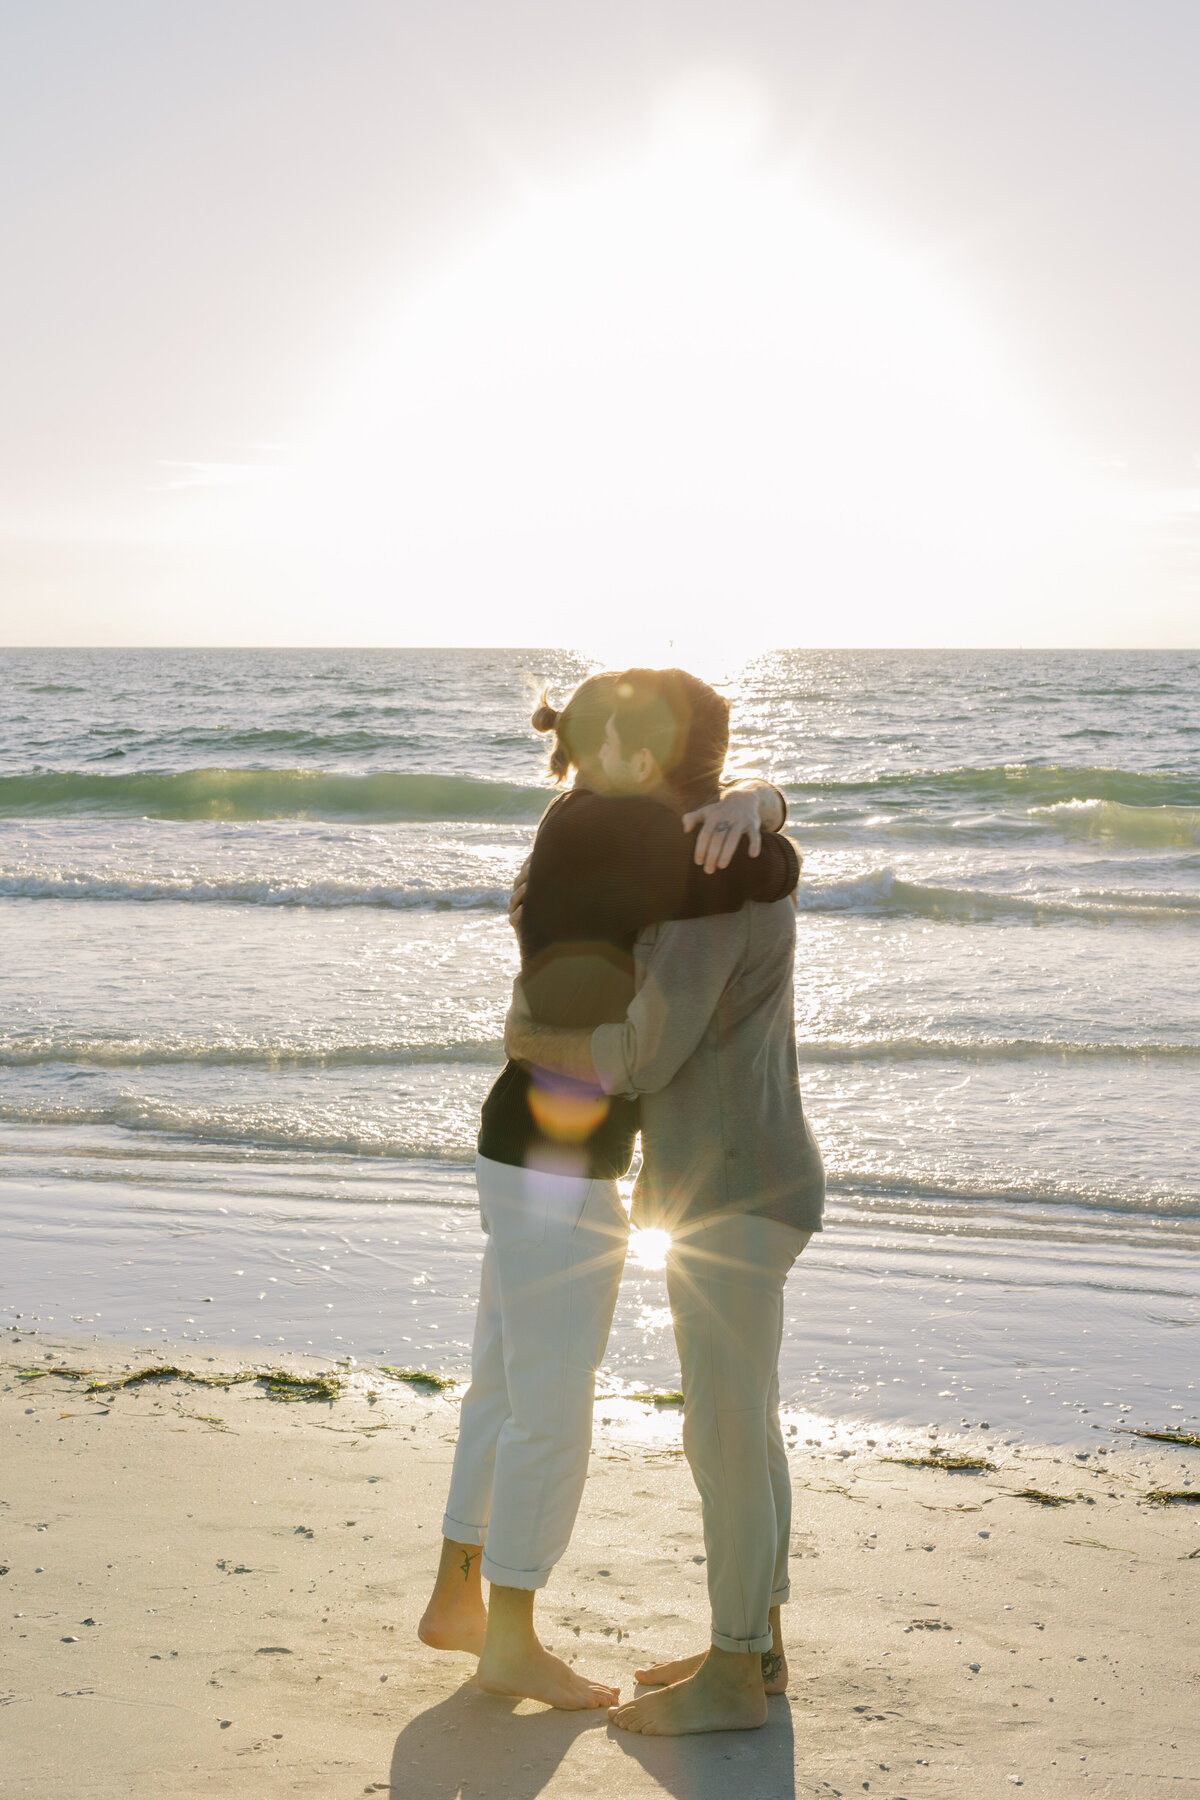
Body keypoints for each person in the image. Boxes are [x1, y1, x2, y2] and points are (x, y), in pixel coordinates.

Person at [417, 668, 799, 1710]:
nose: (681, 787)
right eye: (667, 758)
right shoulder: (621, 831)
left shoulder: (575, 818)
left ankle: (459, 1597)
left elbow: (740, 854)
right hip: (560, 1162)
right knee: (551, 1409)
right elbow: (756, 875)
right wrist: (759, 817)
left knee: (502, 1382)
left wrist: (757, 801)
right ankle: (508, 1641)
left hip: (520, 1140)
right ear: (629, 755)